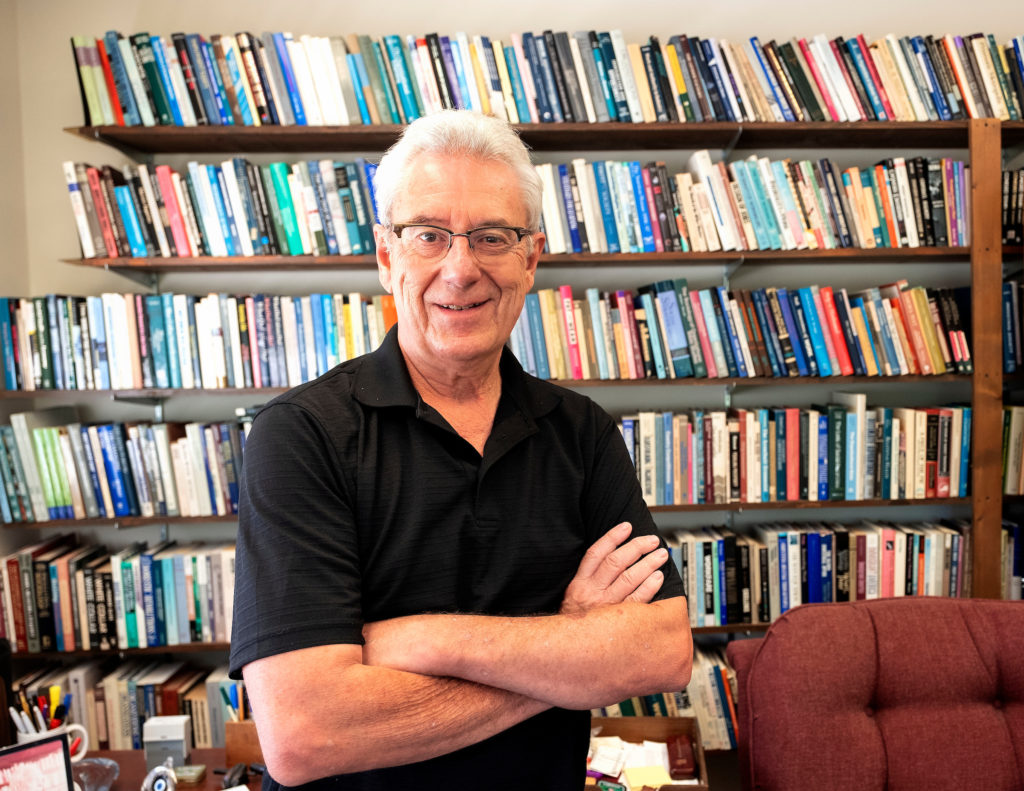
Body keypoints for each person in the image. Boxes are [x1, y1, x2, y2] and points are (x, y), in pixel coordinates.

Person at [229, 110, 692, 790]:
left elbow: (661, 650)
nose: (461, 268)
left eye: (491, 236)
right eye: (429, 236)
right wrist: (568, 649)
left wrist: (422, 638)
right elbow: (304, 734)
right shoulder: (301, 435)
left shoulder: (583, 432)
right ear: (387, 257)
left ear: (530, 259)